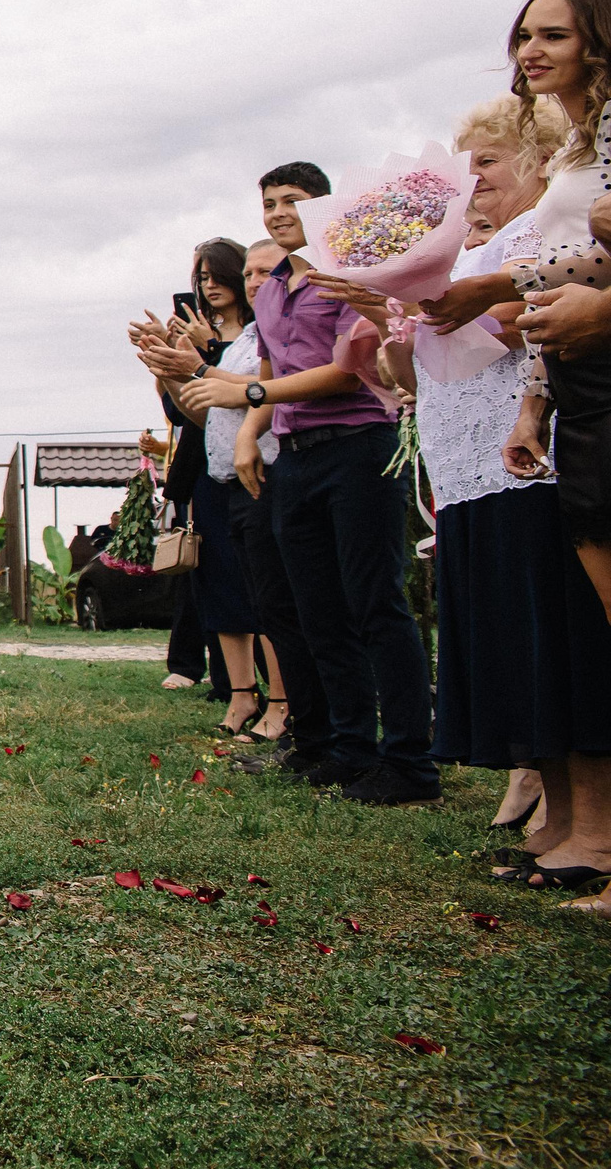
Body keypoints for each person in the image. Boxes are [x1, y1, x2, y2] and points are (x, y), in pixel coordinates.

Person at [346, 97, 608, 875]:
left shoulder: (539, 243)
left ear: (540, 159)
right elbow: (408, 381)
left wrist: (431, 307)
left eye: (486, 162)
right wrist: (391, 312)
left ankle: (593, 827)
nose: (473, 180)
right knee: (521, 655)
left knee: (559, 649)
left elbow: (514, 334)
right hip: (467, 472)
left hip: (532, 460)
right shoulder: (465, 254)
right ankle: (559, 818)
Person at [179, 162, 434, 806]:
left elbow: (346, 372)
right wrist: (248, 432)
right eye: (268, 202)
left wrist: (247, 391)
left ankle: (409, 761)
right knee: (310, 607)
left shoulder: (350, 272)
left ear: (323, 206)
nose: (277, 212)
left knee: (375, 602)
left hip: (358, 447)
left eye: (292, 200)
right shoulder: (271, 291)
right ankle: (338, 747)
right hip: (295, 455)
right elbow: (267, 375)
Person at [497, 0, 611, 907]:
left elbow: (594, 263)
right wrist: (534, 404)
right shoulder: (580, 143)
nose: (532, 50)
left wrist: (528, 269)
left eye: (556, 36)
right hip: (574, 380)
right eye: (526, 35)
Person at [135, 239, 282, 734]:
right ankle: (239, 693)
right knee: (218, 585)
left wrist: (202, 357)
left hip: (258, 464)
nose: (209, 285)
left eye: (218, 274)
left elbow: (254, 394)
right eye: (201, 278)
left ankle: (281, 698)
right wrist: (166, 367)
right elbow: (189, 411)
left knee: (264, 589)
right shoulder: (210, 340)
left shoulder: (263, 334)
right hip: (208, 468)